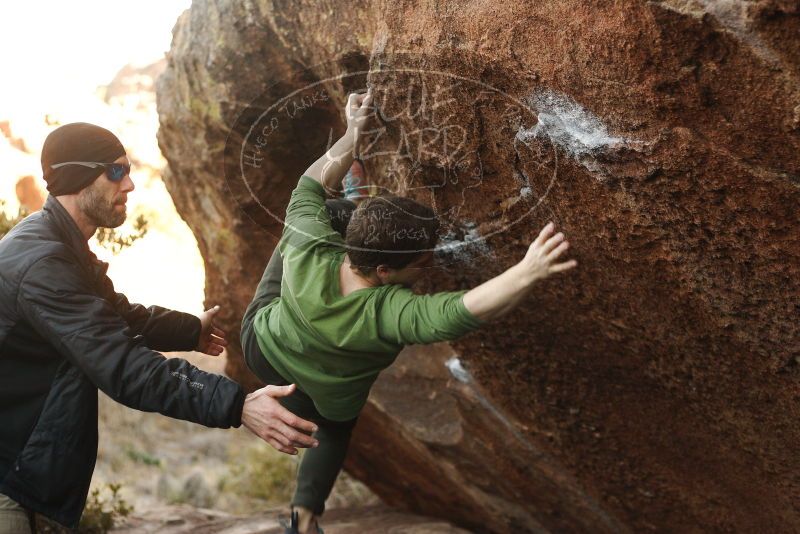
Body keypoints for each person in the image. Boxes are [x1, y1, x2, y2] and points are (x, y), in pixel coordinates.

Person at [241, 91, 578, 534]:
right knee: (334, 429)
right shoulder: (388, 312)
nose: (431, 264)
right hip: (325, 392)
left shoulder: (313, 242)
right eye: (421, 262)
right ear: (383, 271)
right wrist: (528, 271)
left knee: (312, 216)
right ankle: (304, 516)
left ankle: (357, 209)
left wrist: (353, 132)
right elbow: (461, 310)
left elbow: (309, 184)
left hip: (263, 347)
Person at [0, 122, 320, 533]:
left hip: (19, 468)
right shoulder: (44, 264)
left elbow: (118, 315)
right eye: (115, 171)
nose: (130, 184)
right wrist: (237, 404)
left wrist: (190, 330)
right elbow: (125, 366)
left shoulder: (57, 246)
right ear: (77, 177)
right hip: (8, 479)